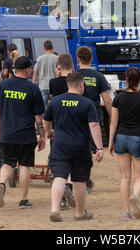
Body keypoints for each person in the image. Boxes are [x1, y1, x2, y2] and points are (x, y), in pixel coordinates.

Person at [43, 72, 104, 222]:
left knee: (59, 177)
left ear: (68, 85)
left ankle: (55, 210)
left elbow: (46, 121)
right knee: (79, 180)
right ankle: (80, 213)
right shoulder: (87, 103)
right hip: (80, 147)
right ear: (81, 85)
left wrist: (50, 131)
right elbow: (94, 125)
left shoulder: (55, 101)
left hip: (60, 145)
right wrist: (100, 148)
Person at [0, 56, 46, 209]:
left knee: (7, 163)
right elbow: (38, 116)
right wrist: (42, 135)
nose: (32, 70)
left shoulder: (3, 85)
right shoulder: (32, 88)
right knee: (24, 165)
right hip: (26, 134)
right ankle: (23, 200)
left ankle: (2, 184)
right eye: (31, 68)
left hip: (7, 132)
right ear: (25, 70)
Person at [109, 68, 140, 220]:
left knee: (124, 177)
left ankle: (126, 212)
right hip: (138, 137)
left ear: (127, 79)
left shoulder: (118, 98)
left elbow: (113, 122)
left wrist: (110, 142)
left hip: (121, 137)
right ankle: (135, 196)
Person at [76, 46, 112, 192]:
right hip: (93, 117)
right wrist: (112, 116)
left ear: (78, 59)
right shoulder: (98, 76)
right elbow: (107, 100)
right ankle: (85, 179)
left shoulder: (74, 75)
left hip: (76, 115)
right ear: (91, 59)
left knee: (79, 148)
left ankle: (82, 179)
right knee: (90, 150)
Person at [49, 53, 76, 211]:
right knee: (73, 164)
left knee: (58, 164)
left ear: (59, 66)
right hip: (74, 126)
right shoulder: (75, 81)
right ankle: (69, 189)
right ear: (72, 65)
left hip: (58, 126)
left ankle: (61, 200)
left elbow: (51, 102)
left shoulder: (54, 82)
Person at [33, 40, 58, 108]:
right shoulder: (57, 58)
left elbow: (35, 72)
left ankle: (45, 118)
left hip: (43, 86)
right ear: (52, 47)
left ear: (44, 48)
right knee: (54, 106)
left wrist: (34, 83)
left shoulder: (39, 58)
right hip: (54, 86)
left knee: (44, 107)